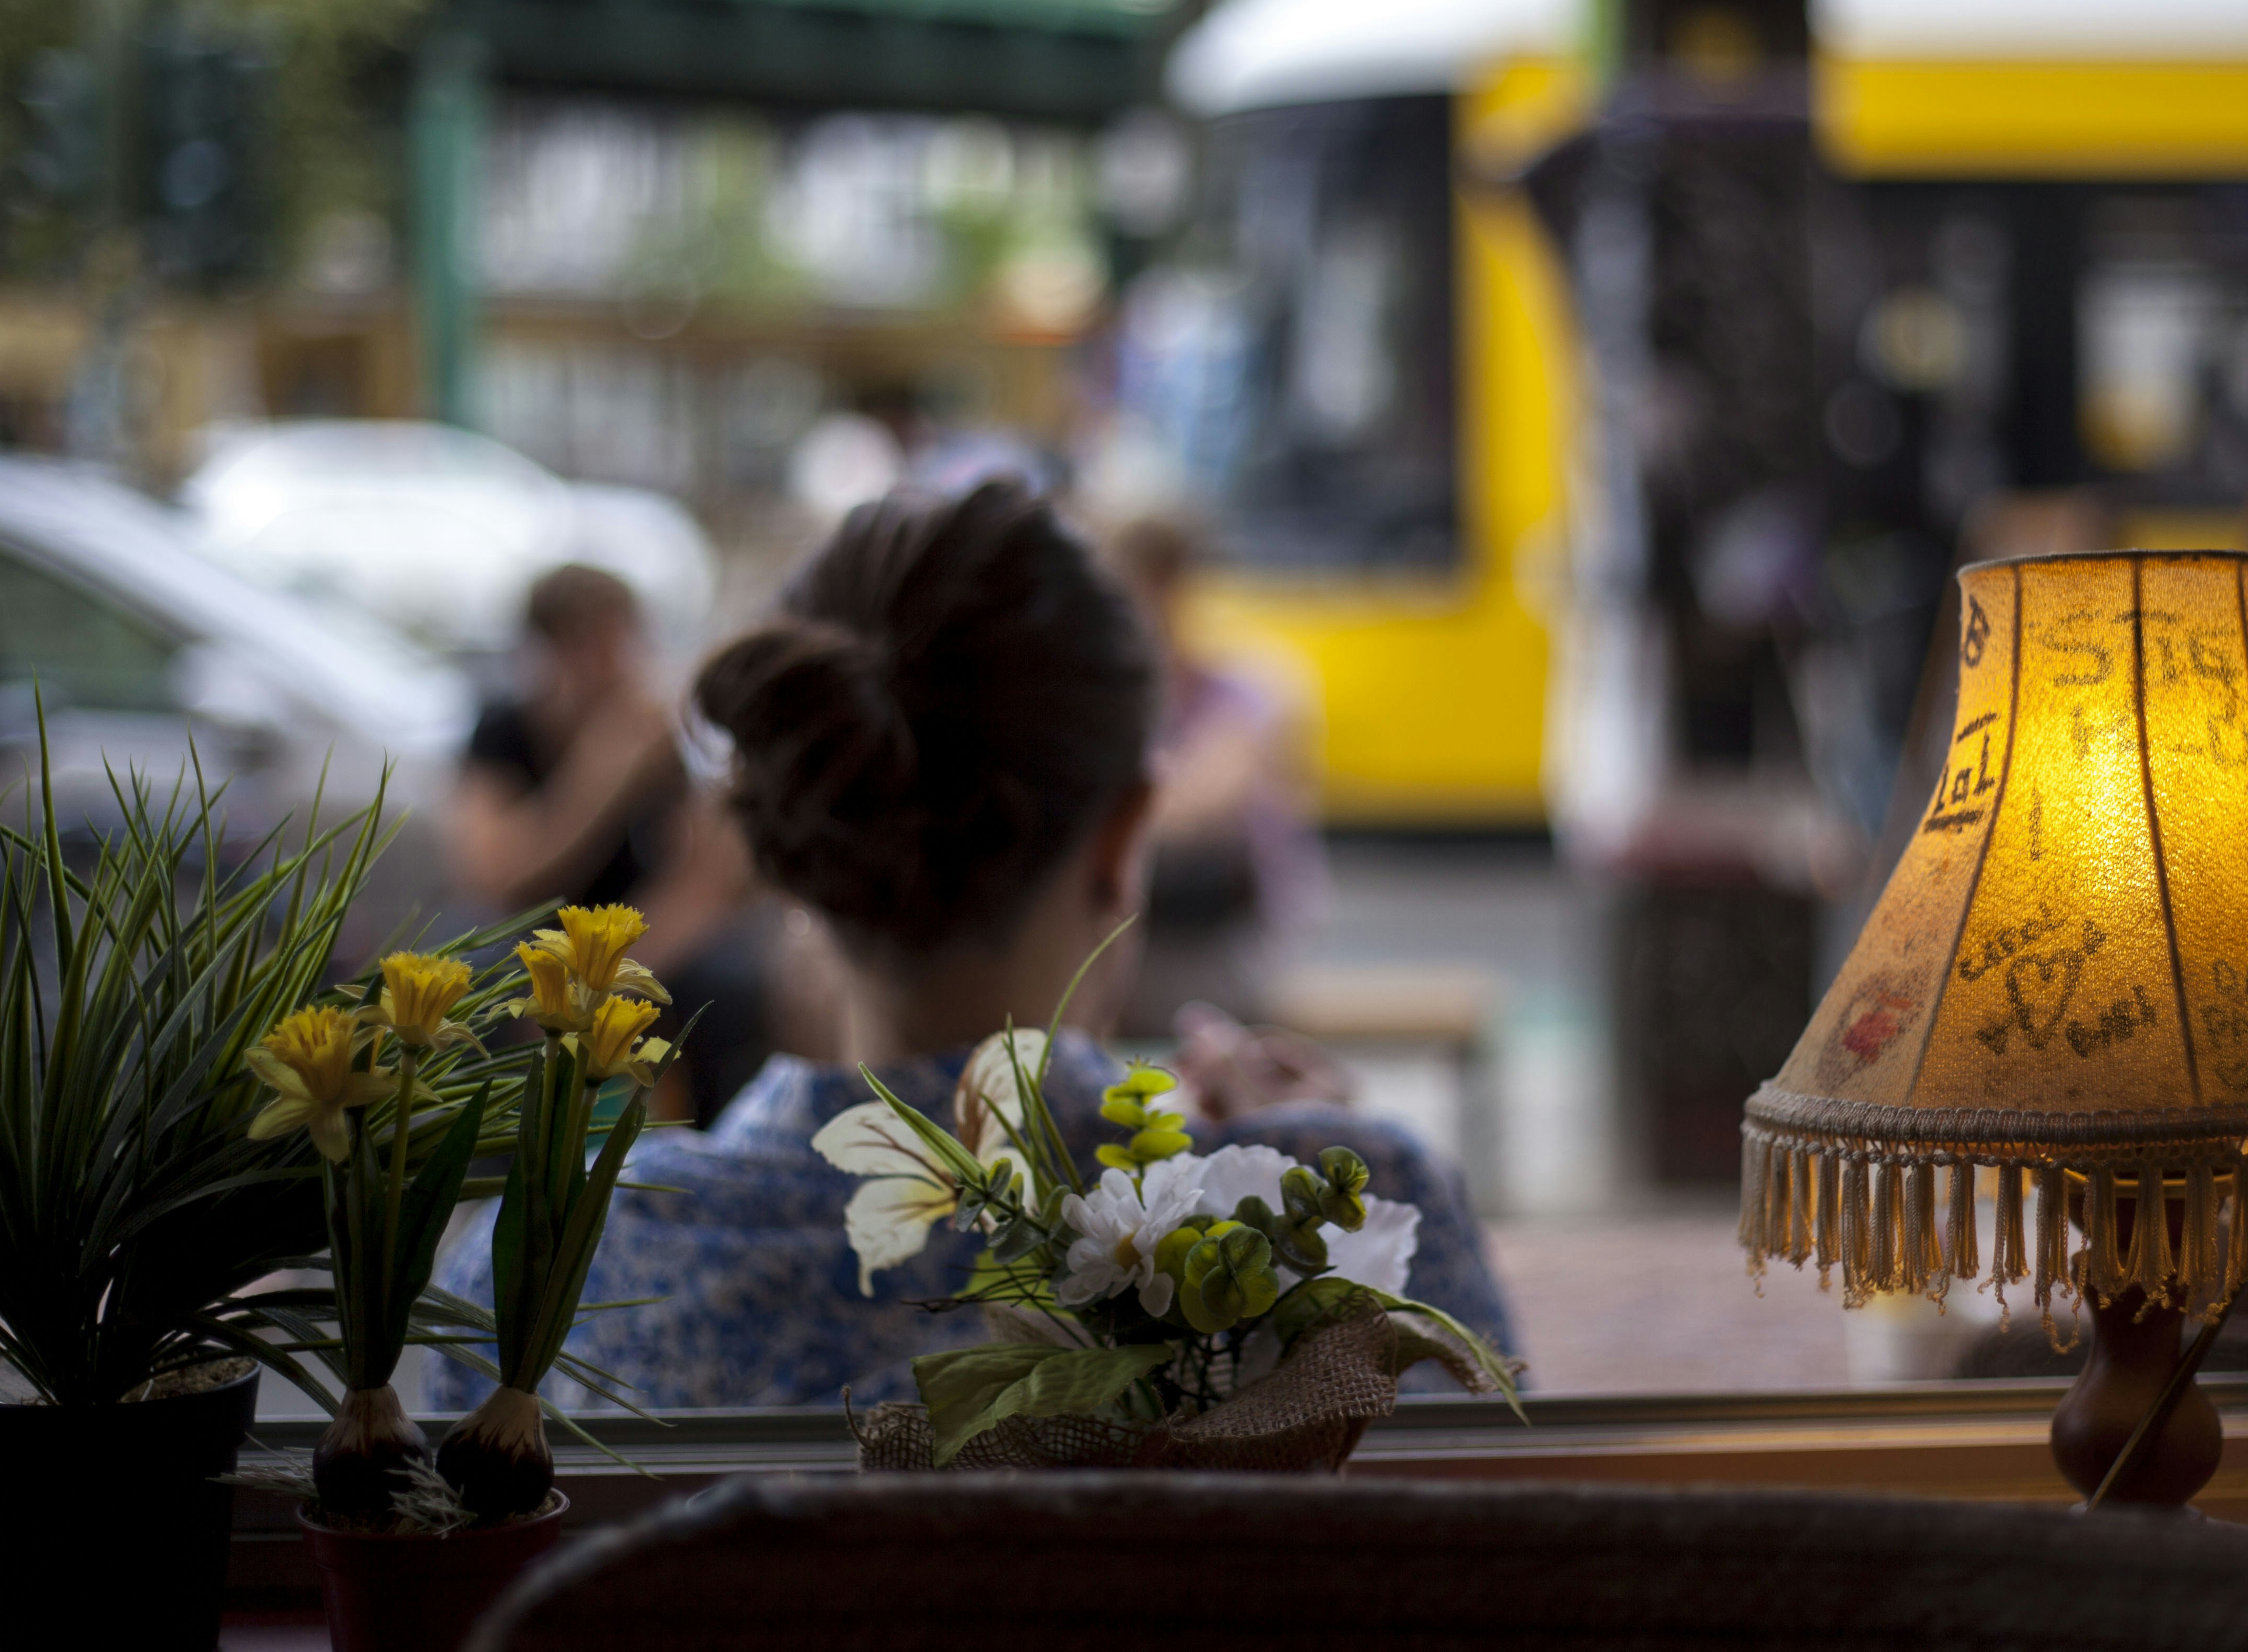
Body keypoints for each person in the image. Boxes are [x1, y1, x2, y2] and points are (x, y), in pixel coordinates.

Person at [432, 481, 1511, 1411]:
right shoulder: (1343, 1230)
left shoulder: (550, 1260)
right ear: (1123, 835)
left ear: (786, 848)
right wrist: (1327, 1179)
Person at [449, 564, 775, 1125]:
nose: (615, 668)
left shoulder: (657, 739)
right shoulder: (503, 732)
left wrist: (610, 972)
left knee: (733, 987)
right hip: (531, 937)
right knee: (477, 986)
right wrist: (602, 776)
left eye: (622, 644)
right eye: (589, 648)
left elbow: (713, 880)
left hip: (641, 939)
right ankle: (491, 1172)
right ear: (544, 654)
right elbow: (497, 875)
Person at [1101, 512, 1322, 1037]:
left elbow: (1199, 810)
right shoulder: (1103, 696)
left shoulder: (1254, 687)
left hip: (1219, 940)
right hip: (1150, 934)